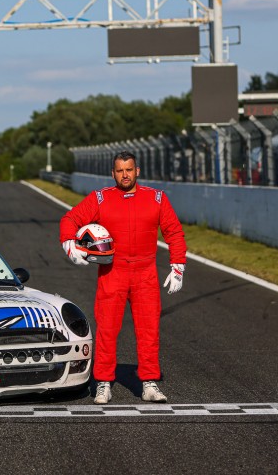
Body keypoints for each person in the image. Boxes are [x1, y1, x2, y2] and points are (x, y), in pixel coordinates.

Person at [59, 151, 187, 404]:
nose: (125, 174)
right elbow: (70, 218)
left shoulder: (157, 198)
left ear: (137, 171)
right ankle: (103, 384)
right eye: (120, 170)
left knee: (149, 331)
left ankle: (149, 383)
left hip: (145, 272)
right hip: (112, 272)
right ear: (113, 173)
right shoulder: (100, 198)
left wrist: (178, 266)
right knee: (107, 330)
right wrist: (68, 243)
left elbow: (174, 232)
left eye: (129, 169)